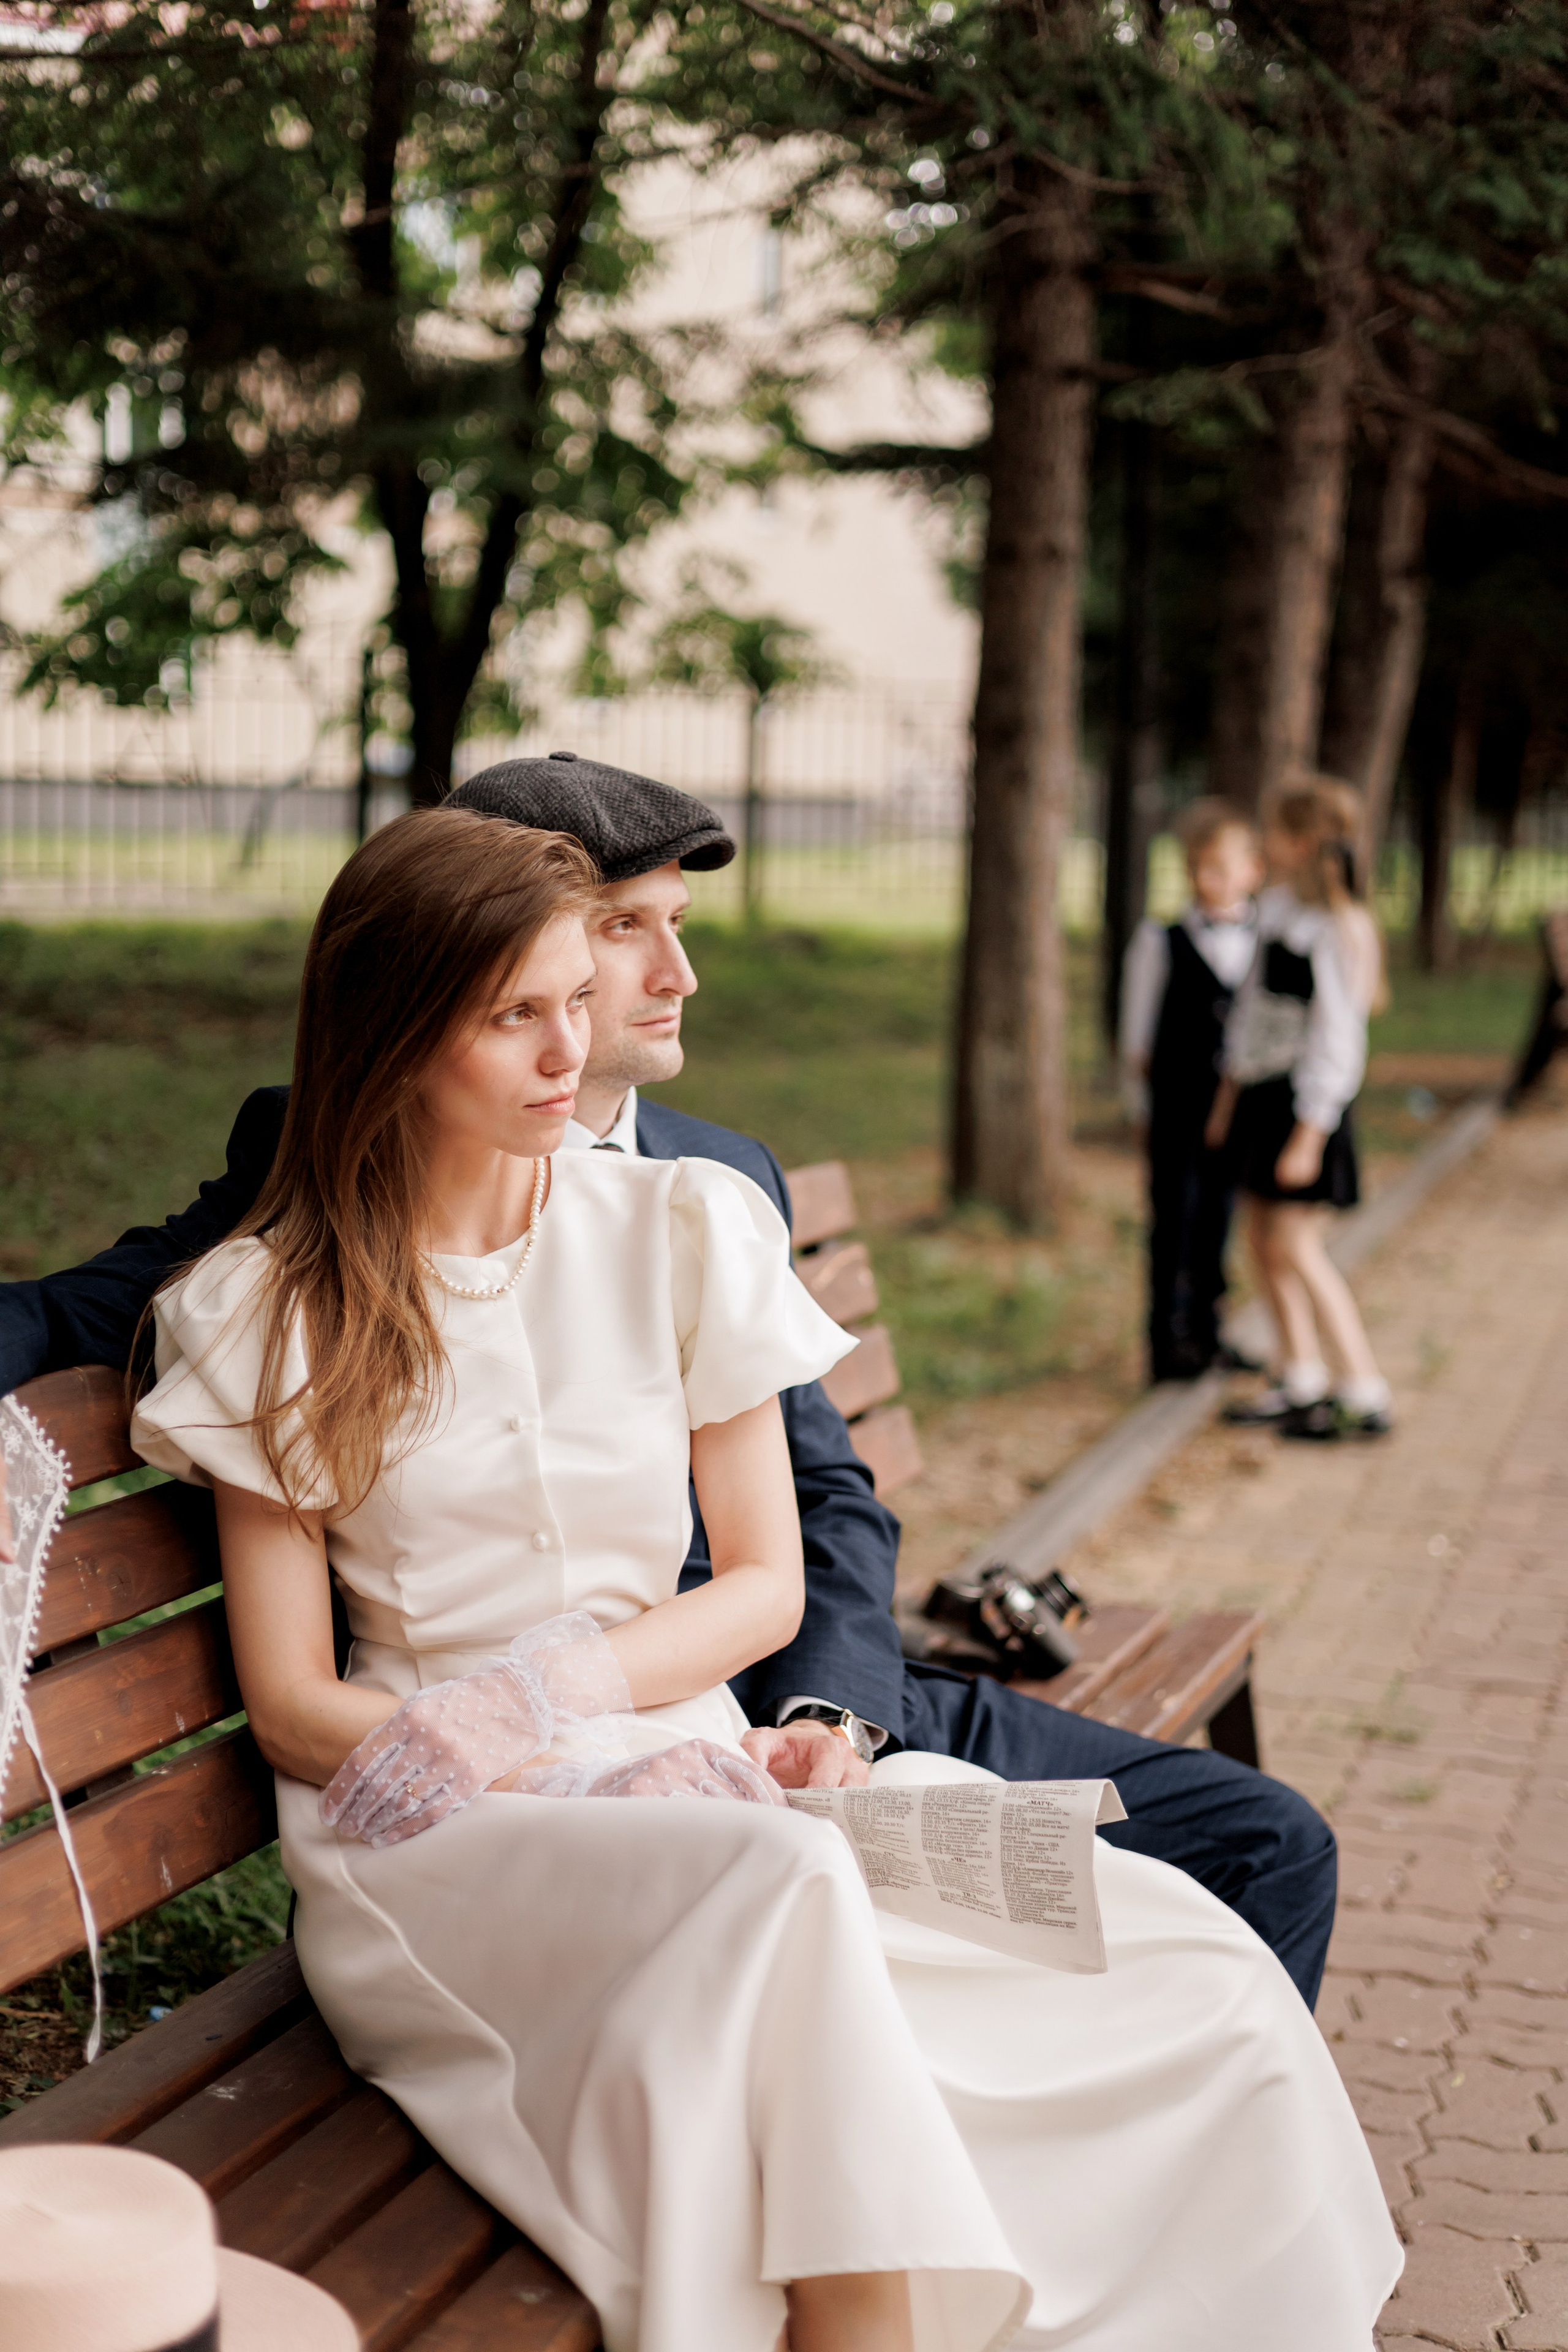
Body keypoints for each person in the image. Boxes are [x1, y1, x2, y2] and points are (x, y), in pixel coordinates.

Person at [127, 808, 1400, 2352]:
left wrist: (616, 1705)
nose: (562, 1049)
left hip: (696, 1758)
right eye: (510, 1015)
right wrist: (519, 1748)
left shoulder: (683, 1223)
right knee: (784, 1881)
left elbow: (763, 1587)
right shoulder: (270, 1306)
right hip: (433, 1829)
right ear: (391, 1037)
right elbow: (289, 1705)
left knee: (1189, 1963)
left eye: (569, 1005)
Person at [0, 753, 1340, 2008]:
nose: (672, 973)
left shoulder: (710, 1185)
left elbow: (827, 1497)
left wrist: (834, 1715)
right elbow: (100, 1308)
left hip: (795, 1696)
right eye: (623, 928)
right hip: (542, 1771)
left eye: (666, 926)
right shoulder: (317, 1164)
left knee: (1264, 1843)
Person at [1208, 777, 1392, 1441]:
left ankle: (1364, 1387)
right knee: (1263, 1243)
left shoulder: (1338, 928)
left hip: (1302, 1109)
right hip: (1261, 1098)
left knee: (1298, 1245)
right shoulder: (1279, 909)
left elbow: (1338, 1039)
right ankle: (1299, 1376)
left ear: (1307, 840)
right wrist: (1229, 1095)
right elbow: (1253, 1012)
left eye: (1278, 832)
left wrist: (1310, 1133)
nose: (1267, 843)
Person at [1120, 800, 1262, 1382]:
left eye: (1229, 866)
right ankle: (1167, 1342)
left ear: (1252, 870)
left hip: (1237, 1109)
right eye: (1205, 867)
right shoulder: (1161, 940)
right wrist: (1142, 1105)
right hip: (1178, 1105)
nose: (1217, 880)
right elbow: (1138, 1034)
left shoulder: (1263, 940)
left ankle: (1210, 1329)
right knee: (1174, 1218)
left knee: (1220, 1219)